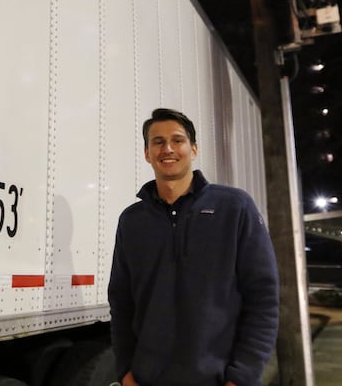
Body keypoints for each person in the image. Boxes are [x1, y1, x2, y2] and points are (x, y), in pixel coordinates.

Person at [108, 108, 279, 386]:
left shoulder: (234, 207)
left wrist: (242, 376)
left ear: (194, 149)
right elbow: (121, 301)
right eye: (158, 141)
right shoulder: (132, 221)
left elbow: (263, 296)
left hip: (220, 380)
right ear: (147, 153)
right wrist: (126, 371)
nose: (168, 149)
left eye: (178, 140)